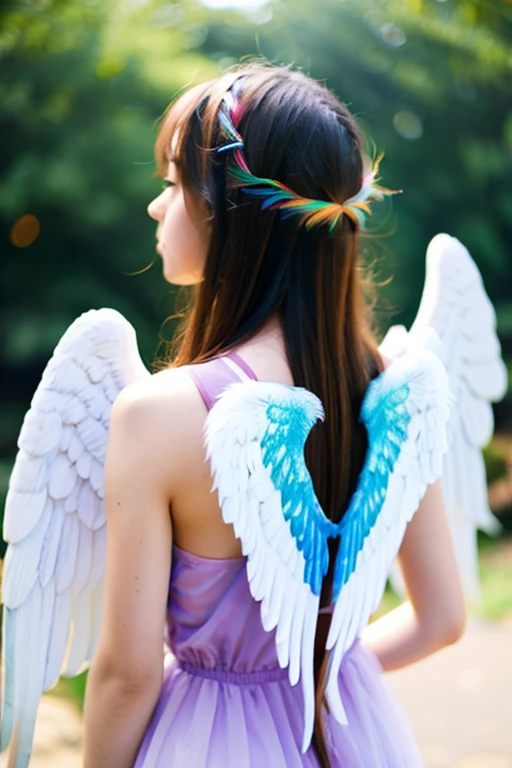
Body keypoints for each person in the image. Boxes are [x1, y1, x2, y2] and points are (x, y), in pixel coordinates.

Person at [82, 62, 466, 768]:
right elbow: (442, 619)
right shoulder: (395, 391)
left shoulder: (162, 415)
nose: (156, 208)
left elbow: (126, 675)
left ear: (227, 208)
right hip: (350, 734)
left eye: (172, 184)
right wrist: (312, 676)